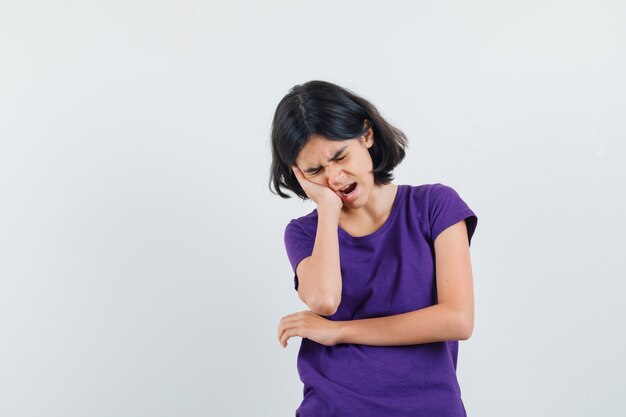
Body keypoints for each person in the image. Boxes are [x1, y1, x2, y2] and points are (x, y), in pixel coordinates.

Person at [268, 80, 478, 417]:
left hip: (428, 407)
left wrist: (337, 332)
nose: (334, 178)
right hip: (334, 407)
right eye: (315, 171)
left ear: (366, 135)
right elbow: (324, 299)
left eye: (340, 156)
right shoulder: (305, 232)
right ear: (298, 175)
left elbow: (457, 319)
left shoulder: (434, 206)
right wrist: (327, 209)